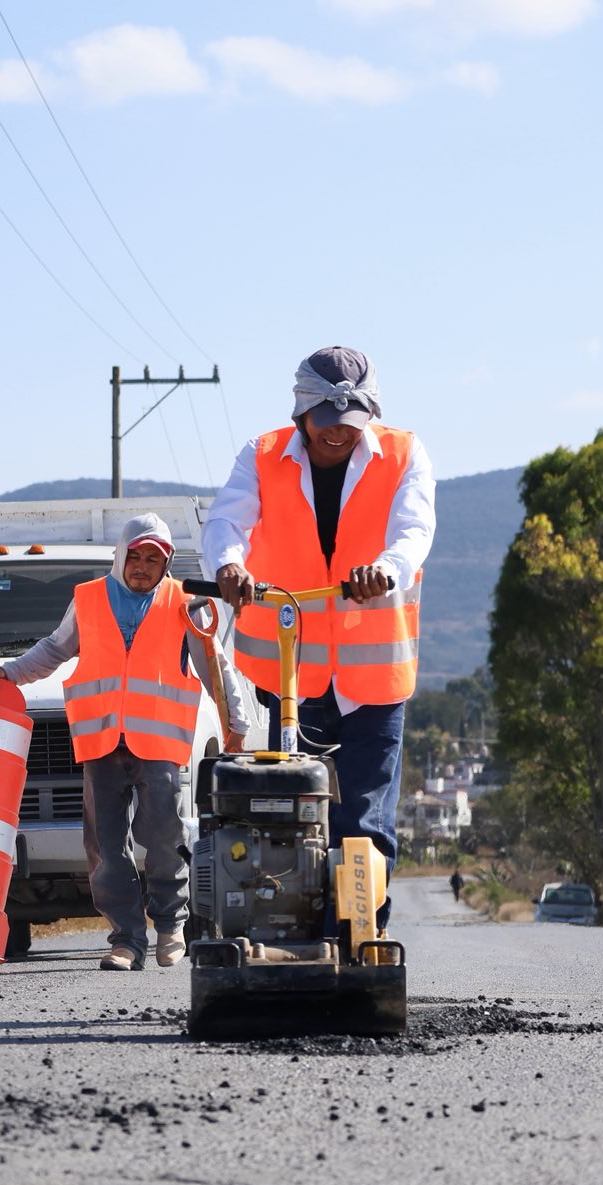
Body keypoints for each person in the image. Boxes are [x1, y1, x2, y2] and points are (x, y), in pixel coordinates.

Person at [202, 346, 435, 933]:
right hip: (284, 678)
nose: (340, 437)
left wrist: (387, 569)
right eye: (328, 426)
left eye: (352, 426)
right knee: (280, 811)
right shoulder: (261, 456)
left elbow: (413, 530)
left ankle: (359, 938)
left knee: (361, 821)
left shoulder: (404, 454)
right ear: (302, 414)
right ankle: (283, 926)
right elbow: (227, 522)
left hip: (373, 680)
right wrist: (229, 565)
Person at [0, 514, 247, 971]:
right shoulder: (88, 599)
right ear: (121, 556)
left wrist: (236, 723)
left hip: (160, 740)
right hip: (101, 740)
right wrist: (11, 673)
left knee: (164, 833)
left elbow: (215, 663)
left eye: (154, 559)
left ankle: (169, 925)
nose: (143, 566)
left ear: (166, 564)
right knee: (106, 846)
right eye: (137, 556)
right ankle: (126, 939)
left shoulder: (187, 602)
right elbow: (53, 650)